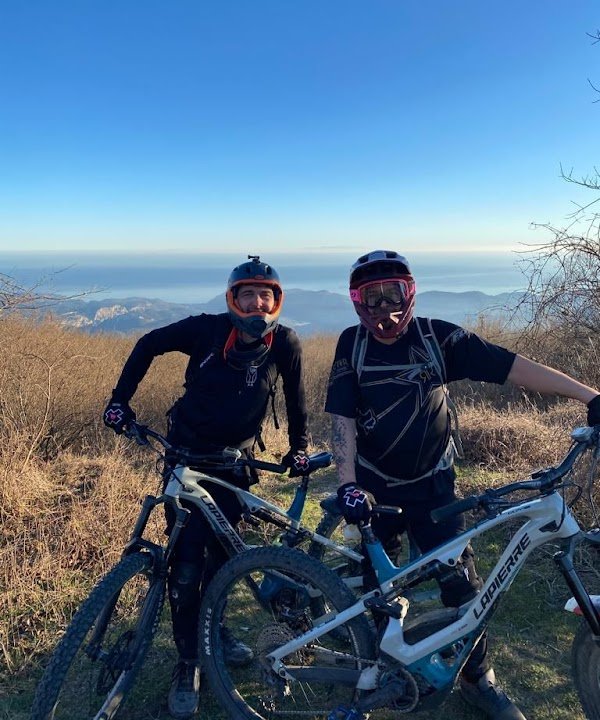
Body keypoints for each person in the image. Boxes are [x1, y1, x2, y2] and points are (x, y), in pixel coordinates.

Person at [325, 249, 600, 720]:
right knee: (378, 590)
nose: (385, 310)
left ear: (410, 293)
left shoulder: (436, 338)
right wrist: (348, 484)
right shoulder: (351, 345)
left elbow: (514, 367)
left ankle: (478, 680)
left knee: (463, 587)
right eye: (372, 298)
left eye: (395, 294)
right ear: (357, 302)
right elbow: (341, 420)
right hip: (374, 490)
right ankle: (375, 667)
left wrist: (591, 395)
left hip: (434, 487)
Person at [103, 255, 309, 720]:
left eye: (266, 295)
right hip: (184, 458)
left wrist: (299, 448)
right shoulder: (206, 330)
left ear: (277, 300)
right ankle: (188, 663)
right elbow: (148, 343)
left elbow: (297, 401)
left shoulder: (286, 344)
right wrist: (119, 402)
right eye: (248, 294)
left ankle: (217, 632)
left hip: (234, 466)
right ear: (232, 298)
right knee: (185, 565)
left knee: (224, 556)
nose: (257, 302)